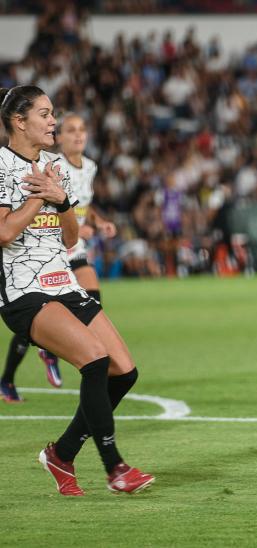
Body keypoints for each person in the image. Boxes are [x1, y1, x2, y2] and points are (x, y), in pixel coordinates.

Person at [0, 85, 153, 495]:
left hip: (64, 281)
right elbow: (3, 233)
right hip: (24, 290)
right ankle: (115, 467)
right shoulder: (0, 166)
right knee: (95, 361)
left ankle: (62, 454)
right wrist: (40, 197)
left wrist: (63, 200)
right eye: (46, 115)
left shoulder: (55, 166)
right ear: (19, 121)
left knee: (125, 371)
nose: (54, 122)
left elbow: (69, 240)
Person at [1, 113, 117, 400]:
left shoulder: (89, 166)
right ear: (60, 138)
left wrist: (97, 222)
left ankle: (58, 352)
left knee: (92, 302)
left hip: (74, 249)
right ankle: (18, 372)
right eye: (71, 130)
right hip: (47, 253)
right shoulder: (51, 165)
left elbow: (81, 204)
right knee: (39, 314)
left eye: (82, 129)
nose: (78, 135)